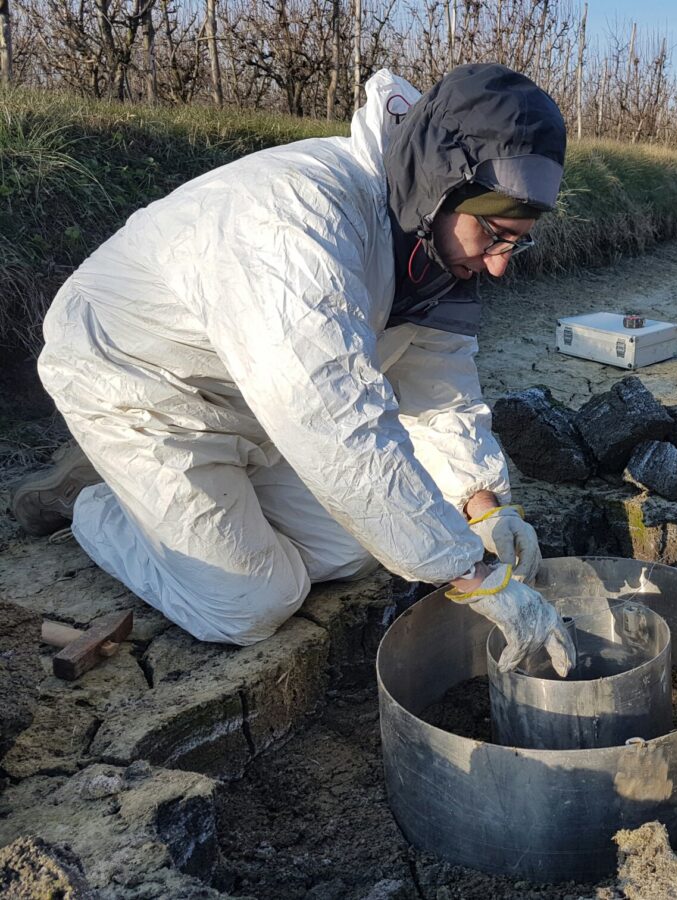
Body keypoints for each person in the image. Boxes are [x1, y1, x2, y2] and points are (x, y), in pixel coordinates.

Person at [12, 63, 575, 677]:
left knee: (361, 547)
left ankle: (212, 490)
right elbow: (332, 423)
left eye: (516, 241)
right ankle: (98, 501)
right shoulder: (296, 222)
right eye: (495, 234)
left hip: (254, 398)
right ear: (444, 183)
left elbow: (437, 387)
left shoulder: (429, 241)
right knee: (251, 604)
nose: (498, 266)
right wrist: (475, 576)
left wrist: (481, 505)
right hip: (142, 386)